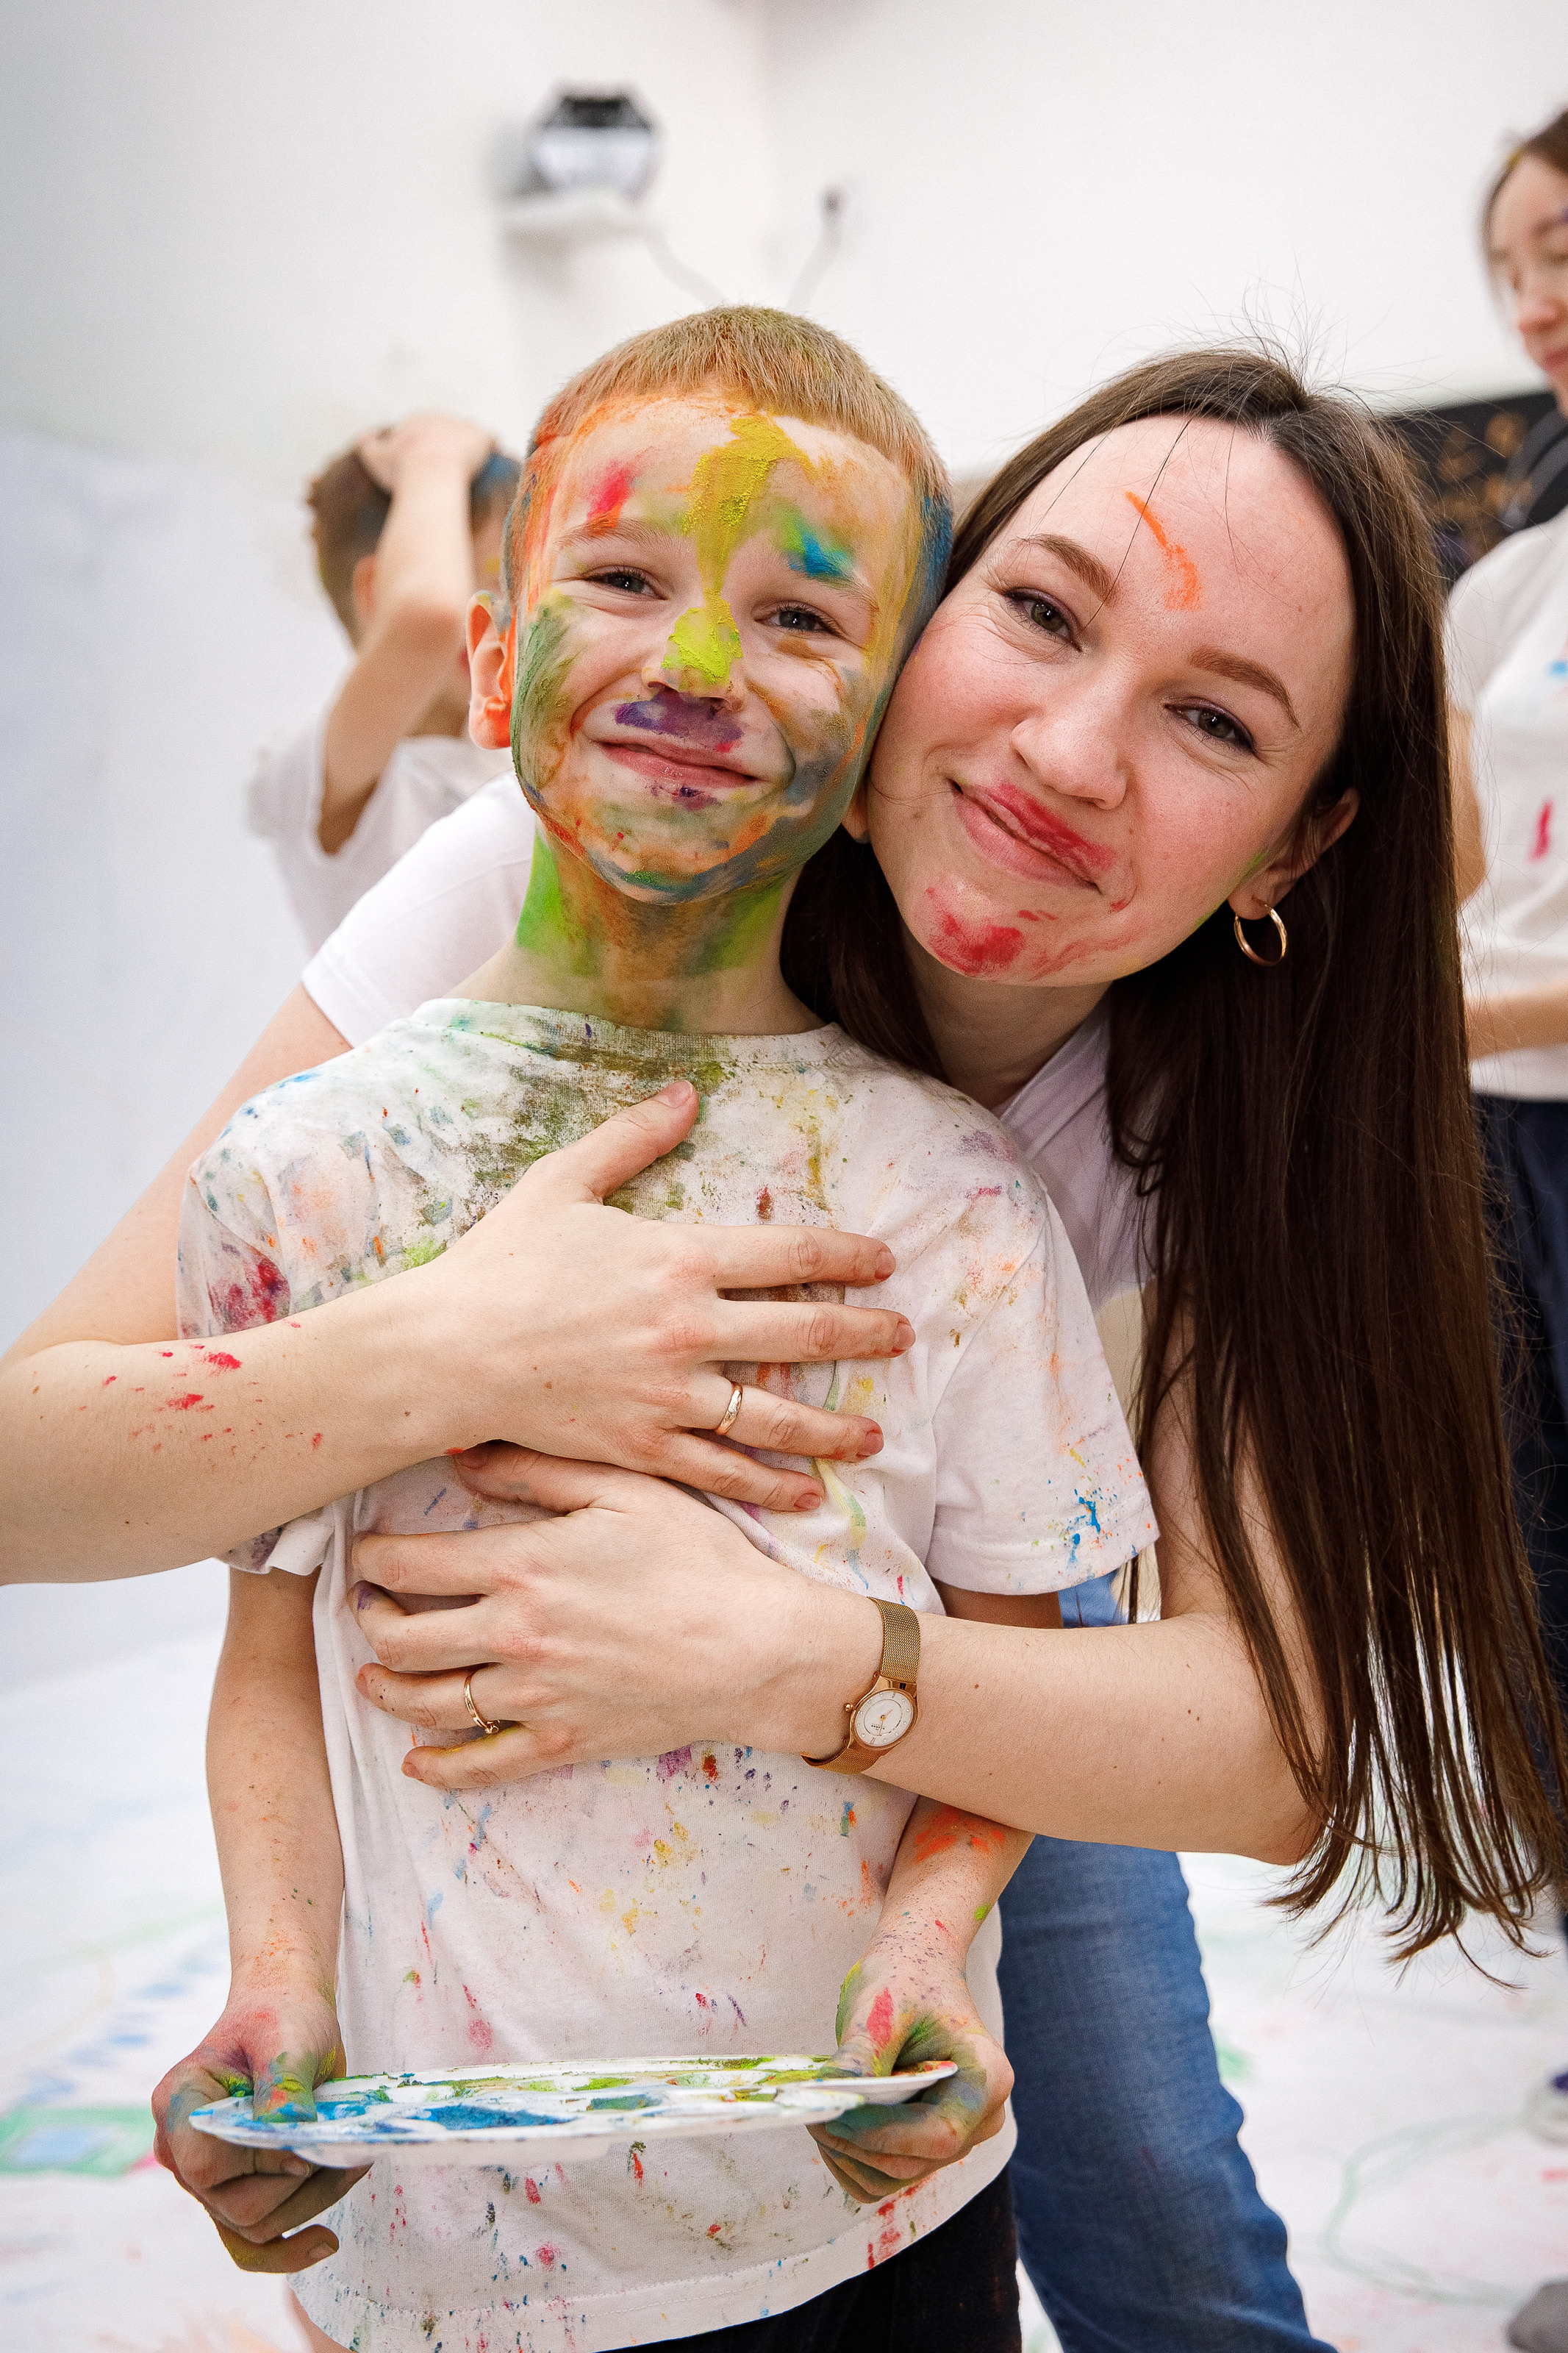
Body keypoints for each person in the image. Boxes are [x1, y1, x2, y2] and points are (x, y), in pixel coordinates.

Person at [6, 340, 1558, 2351]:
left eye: (1208, 719)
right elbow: (48, 1470)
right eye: (1038, 612)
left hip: (963, 1686)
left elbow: (1264, 1744)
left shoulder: (1213, 1128)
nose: (1071, 755)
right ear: (922, 625)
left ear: (1289, 847)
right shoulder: (551, 893)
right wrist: (466, 1346)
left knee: (1159, 2209)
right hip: (513, 1937)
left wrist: (789, 1662)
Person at [168, 310, 1159, 2353]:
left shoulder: (950, 1202)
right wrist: (278, 1977)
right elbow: (272, 1648)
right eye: (619, 579)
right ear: (494, 658)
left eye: (801, 616)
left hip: (852, 2226)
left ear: (884, 733)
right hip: (436, 2245)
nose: (698, 665)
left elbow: (1034, 1646)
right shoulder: (298, 1180)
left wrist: (933, 1924)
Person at [1449, 107, 1568, 2353]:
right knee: (1547, 1627)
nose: (1539, 287)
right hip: (1498, 1139)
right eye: (1515, 260)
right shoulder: (1500, 575)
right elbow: (1470, 891)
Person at [249, 412, 520, 949]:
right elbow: (427, 618)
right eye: (488, 584)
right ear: (380, 596)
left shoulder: (518, 762)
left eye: (521, 586)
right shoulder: (318, 778)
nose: (511, 617)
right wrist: (433, 455)